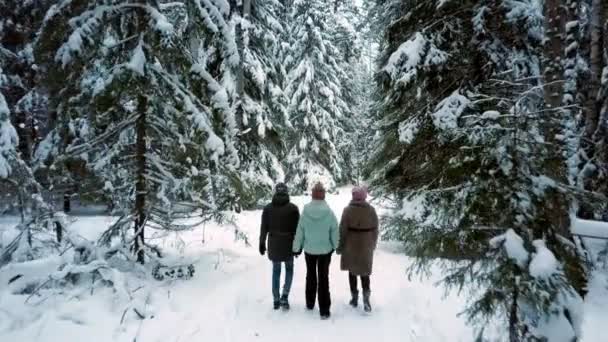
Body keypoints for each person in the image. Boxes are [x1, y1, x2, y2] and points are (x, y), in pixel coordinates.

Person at [292, 182, 339, 320]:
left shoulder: (305, 212)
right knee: (323, 278)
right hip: (325, 251)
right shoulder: (329, 213)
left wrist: (296, 248)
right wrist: (337, 246)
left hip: (310, 250)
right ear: (323, 195)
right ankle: (324, 310)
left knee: (311, 275)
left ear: (313, 195)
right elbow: (334, 230)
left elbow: (299, 231)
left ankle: (310, 303)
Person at [336, 186, 378, 313]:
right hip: (366, 245)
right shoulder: (371, 210)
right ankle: (366, 299)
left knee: (352, 272)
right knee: (365, 273)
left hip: (351, 245)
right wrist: (373, 244)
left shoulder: (347, 210)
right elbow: (375, 229)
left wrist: (340, 246)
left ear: (353, 196)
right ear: (364, 197)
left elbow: (342, 230)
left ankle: (354, 298)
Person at [260, 183, 300, 310]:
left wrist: (261, 242)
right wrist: (298, 246)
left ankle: (276, 299)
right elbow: (298, 230)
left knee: (276, 271)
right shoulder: (293, 208)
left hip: (274, 244)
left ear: (275, 192)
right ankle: (285, 296)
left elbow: (263, 228)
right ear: (286, 192)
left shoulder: (268, 208)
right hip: (288, 244)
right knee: (289, 270)